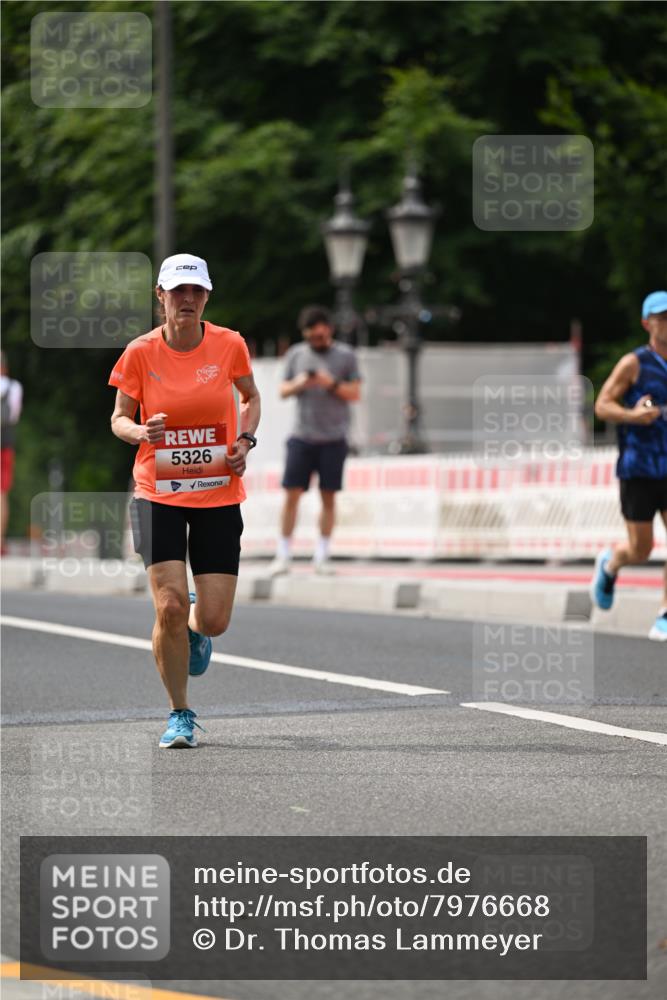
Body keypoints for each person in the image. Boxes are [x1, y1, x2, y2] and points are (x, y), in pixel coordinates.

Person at [109, 253, 261, 746]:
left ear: (207, 297)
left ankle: (196, 626)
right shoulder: (140, 352)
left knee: (213, 621)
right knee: (169, 606)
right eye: (178, 291)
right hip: (157, 493)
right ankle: (180, 713)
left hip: (218, 492)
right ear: (161, 297)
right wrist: (141, 432)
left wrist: (244, 442)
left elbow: (251, 397)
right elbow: (118, 418)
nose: (187, 299)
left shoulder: (229, 344)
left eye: (196, 291)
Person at [591, 290, 667, 641]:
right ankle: (611, 563)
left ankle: (664, 614)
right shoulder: (634, 363)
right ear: (647, 323)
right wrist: (634, 416)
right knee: (641, 549)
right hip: (640, 468)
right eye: (662, 318)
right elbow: (602, 405)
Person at [270, 305, 361, 576]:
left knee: (328, 497)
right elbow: (282, 390)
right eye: (312, 337)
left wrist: (328, 382)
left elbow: (355, 393)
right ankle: (283, 554)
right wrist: (301, 382)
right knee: (291, 495)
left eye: (321, 336)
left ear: (329, 331)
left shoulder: (346, 355)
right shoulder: (296, 354)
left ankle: (322, 554)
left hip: (334, 438)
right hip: (302, 436)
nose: (317, 341)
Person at [0, 351, 23, 555]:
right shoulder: (14, 387)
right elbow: (14, 416)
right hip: (4, 443)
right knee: (2, 493)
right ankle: (0, 541)